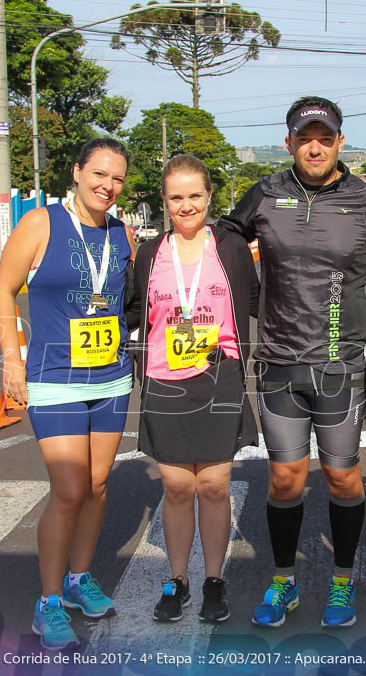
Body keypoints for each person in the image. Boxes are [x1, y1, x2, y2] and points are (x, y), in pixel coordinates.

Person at [218, 96, 366, 628]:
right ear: (289, 144)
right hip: (278, 363)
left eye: (325, 138)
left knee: (344, 479)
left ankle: (343, 582)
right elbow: (221, 245)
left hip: (341, 366)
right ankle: (284, 582)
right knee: (284, 480)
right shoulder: (265, 194)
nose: (315, 147)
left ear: (341, 143)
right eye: (305, 138)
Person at [0, 138, 136, 651]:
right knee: (70, 489)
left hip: (113, 376)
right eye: (99, 173)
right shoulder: (41, 223)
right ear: (76, 172)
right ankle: (48, 601)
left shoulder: (122, 233)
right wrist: (11, 358)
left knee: (97, 486)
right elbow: (4, 288)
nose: (107, 185)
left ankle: (78, 580)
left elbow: (128, 301)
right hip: (54, 376)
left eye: (117, 178)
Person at [128, 154, 258, 624]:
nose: (186, 206)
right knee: (178, 487)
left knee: (214, 485)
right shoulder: (149, 254)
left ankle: (214, 579)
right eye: (176, 197)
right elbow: (134, 310)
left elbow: (257, 300)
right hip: (165, 381)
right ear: (164, 201)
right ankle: (178, 578)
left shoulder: (231, 248)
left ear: (209, 196)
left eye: (195, 196)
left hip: (219, 376)